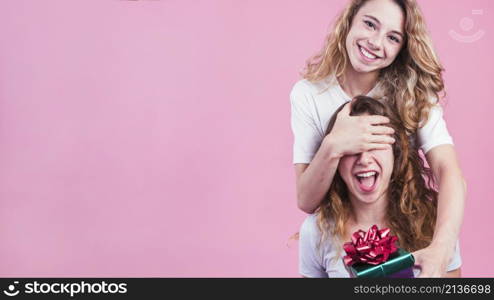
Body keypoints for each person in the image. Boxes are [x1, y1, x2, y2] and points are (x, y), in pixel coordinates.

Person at [290, 0, 466, 277]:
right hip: (341, 231)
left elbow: (449, 172)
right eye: (370, 24)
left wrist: (441, 249)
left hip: (406, 222)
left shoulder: (413, 94)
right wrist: (334, 144)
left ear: (401, 49)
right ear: (349, 20)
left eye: (393, 37)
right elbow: (306, 199)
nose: (375, 42)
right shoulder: (309, 94)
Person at [298, 96, 461, 277]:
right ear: (335, 160)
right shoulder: (317, 231)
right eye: (352, 149)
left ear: (395, 154)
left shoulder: (436, 222)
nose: (364, 160)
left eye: (375, 144)